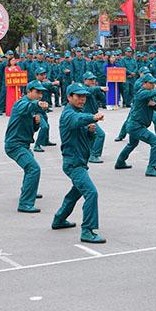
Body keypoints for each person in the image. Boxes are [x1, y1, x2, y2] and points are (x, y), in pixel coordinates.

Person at [51, 83, 106, 243]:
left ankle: (59, 219)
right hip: (73, 163)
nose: (82, 99)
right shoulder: (69, 114)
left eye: (84, 97)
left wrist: (90, 132)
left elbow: (84, 136)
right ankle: (87, 230)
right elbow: (76, 121)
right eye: (78, 96)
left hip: (80, 161)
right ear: (69, 97)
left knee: (76, 192)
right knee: (91, 193)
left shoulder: (79, 112)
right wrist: (92, 117)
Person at [5, 80, 48, 212]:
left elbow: (32, 129)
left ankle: (28, 190)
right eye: (37, 92)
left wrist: (36, 123)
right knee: (34, 169)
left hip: (24, 144)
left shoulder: (33, 108)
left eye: (41, 93)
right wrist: (37, 104)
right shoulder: (21, 104)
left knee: (30, 167)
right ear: (28, 92)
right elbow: (27, 107)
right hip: (14, 145)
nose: (39, 95)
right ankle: (25, 204)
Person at [115, 74, 156, 177]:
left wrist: (154, 105)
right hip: (135, 126)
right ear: (144, 84)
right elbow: (152, 92)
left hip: (137, 125)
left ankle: (120, 162)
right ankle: (151, 168)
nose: (153, 85)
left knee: (132, 144)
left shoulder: (150, 95)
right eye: (151, 83)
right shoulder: (141, 93)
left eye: (154, 83)